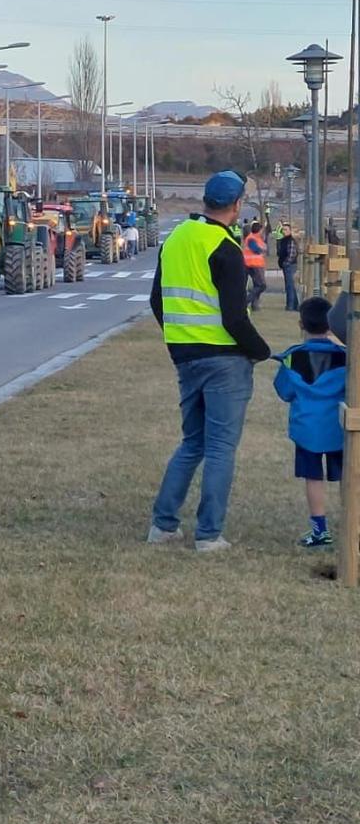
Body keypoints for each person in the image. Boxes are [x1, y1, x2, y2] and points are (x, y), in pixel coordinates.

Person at [147, 170, 272, 553]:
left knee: (192, 444)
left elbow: (157, 301)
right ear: (236, 205)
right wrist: (262, 351)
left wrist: (179, 340)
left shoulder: (176, 239)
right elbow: (235, 318)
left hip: (186, 357)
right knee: (220, 448)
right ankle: (209, 535)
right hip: (224, 360)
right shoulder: (225, 247)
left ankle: (163, 526)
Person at [273, 296, 346, 551]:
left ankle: (320, 531)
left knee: (313, 478)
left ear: (300, 324)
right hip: (339, 429)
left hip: (307, 431)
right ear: (332, 325)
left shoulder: (293, 358)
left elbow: (284, 391)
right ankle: (352, 526)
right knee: (348, 478)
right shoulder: (346, 357)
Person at [242, 219, 268, 311]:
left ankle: (254, 305)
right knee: (261, 285)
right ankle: (246, 301)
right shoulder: (252, 238)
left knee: (257, 285)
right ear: (259, 230)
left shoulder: (255, 238)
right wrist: (263, 249)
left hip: (252, 264)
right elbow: (256, 250)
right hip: (253, 265)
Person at [277, 222, 301, 312]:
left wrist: (286, 263)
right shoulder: (283, 240)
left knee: (289, 286)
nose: (284, 231)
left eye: (286, 229)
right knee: (290, 286)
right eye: (283, 229)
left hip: (290, 265)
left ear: (290, 231)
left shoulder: (290, 240)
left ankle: (290, 306)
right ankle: (295, 305)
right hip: (285, 265)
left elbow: (292, 253)